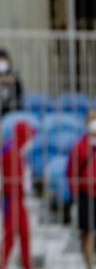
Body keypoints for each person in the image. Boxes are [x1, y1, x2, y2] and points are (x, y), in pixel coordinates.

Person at [0, 121, 35, 269]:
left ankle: (25, 265)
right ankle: (1, 265)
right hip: (10, 199)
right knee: (11, 235)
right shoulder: (10, 149)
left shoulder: (16, 149)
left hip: (18, 198)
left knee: (23, 234)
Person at [66, 109, 96, 268]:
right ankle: (89, 264)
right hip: (87, 193)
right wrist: (74, 193)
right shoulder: (79, 146)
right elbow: (71, 171)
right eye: (91, 118)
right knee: (87, 232)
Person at [0, 48, 23, 130]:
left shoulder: (13, 74)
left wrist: (13, 82)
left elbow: (19, 92)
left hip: (10, 108)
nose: (2, 62)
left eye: (4, 59)